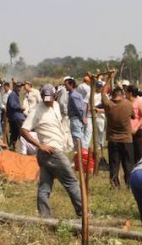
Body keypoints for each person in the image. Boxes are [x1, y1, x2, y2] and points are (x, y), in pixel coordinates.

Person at [20, 84, 84, 218]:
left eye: (50, 97)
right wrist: (40, 145)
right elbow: (24, 130)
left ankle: (45, 218)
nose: (48, 99)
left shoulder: (55, 105)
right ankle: (84, 213)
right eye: (45, 97)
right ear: (41, 96)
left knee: (45, 186)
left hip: (53, 151)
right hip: (51, 151)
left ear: (54, 96)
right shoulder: (36, 111)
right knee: (71, 182)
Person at [101, 85, 135, 188]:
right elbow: (133, 116)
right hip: (126, 139)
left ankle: (115, 185)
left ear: (112, 95)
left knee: (114, 164)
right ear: (122, 95)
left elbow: (103, 94)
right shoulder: (128, 104)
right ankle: (129, 184)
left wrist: (108, 79)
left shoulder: (108, 104)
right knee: (128, 164)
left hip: (113, 139)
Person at [126, 85, 142, 162]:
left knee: (139, 154)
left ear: (130, 93)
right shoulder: (126, 102)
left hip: (139, 130)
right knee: (129, 154)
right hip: (128, 131)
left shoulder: (140, 102)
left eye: (126, 92)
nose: (125, 94)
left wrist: (136, 127)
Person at [65, 77, 87, 151]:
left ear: (71, 85)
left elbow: (79, 108)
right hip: (76, 118)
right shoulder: (74, 94)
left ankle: (81, 154)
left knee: (77, 136)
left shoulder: (73, 95)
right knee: (79, 136)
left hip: (76, 118)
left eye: (66, 85)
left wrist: (82, 118)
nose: (65, 87)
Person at [6, 81, 26, 149]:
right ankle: (22, 148)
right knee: (22, 133)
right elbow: (12, 105)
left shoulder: (15, 94)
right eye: (18, 86)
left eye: (20, 86)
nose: (19, 88)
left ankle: (12, 146)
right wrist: (20, 107)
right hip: (16, 117)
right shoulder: (13, 94)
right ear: (14, 86)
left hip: (15, 117)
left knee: (15, 133)